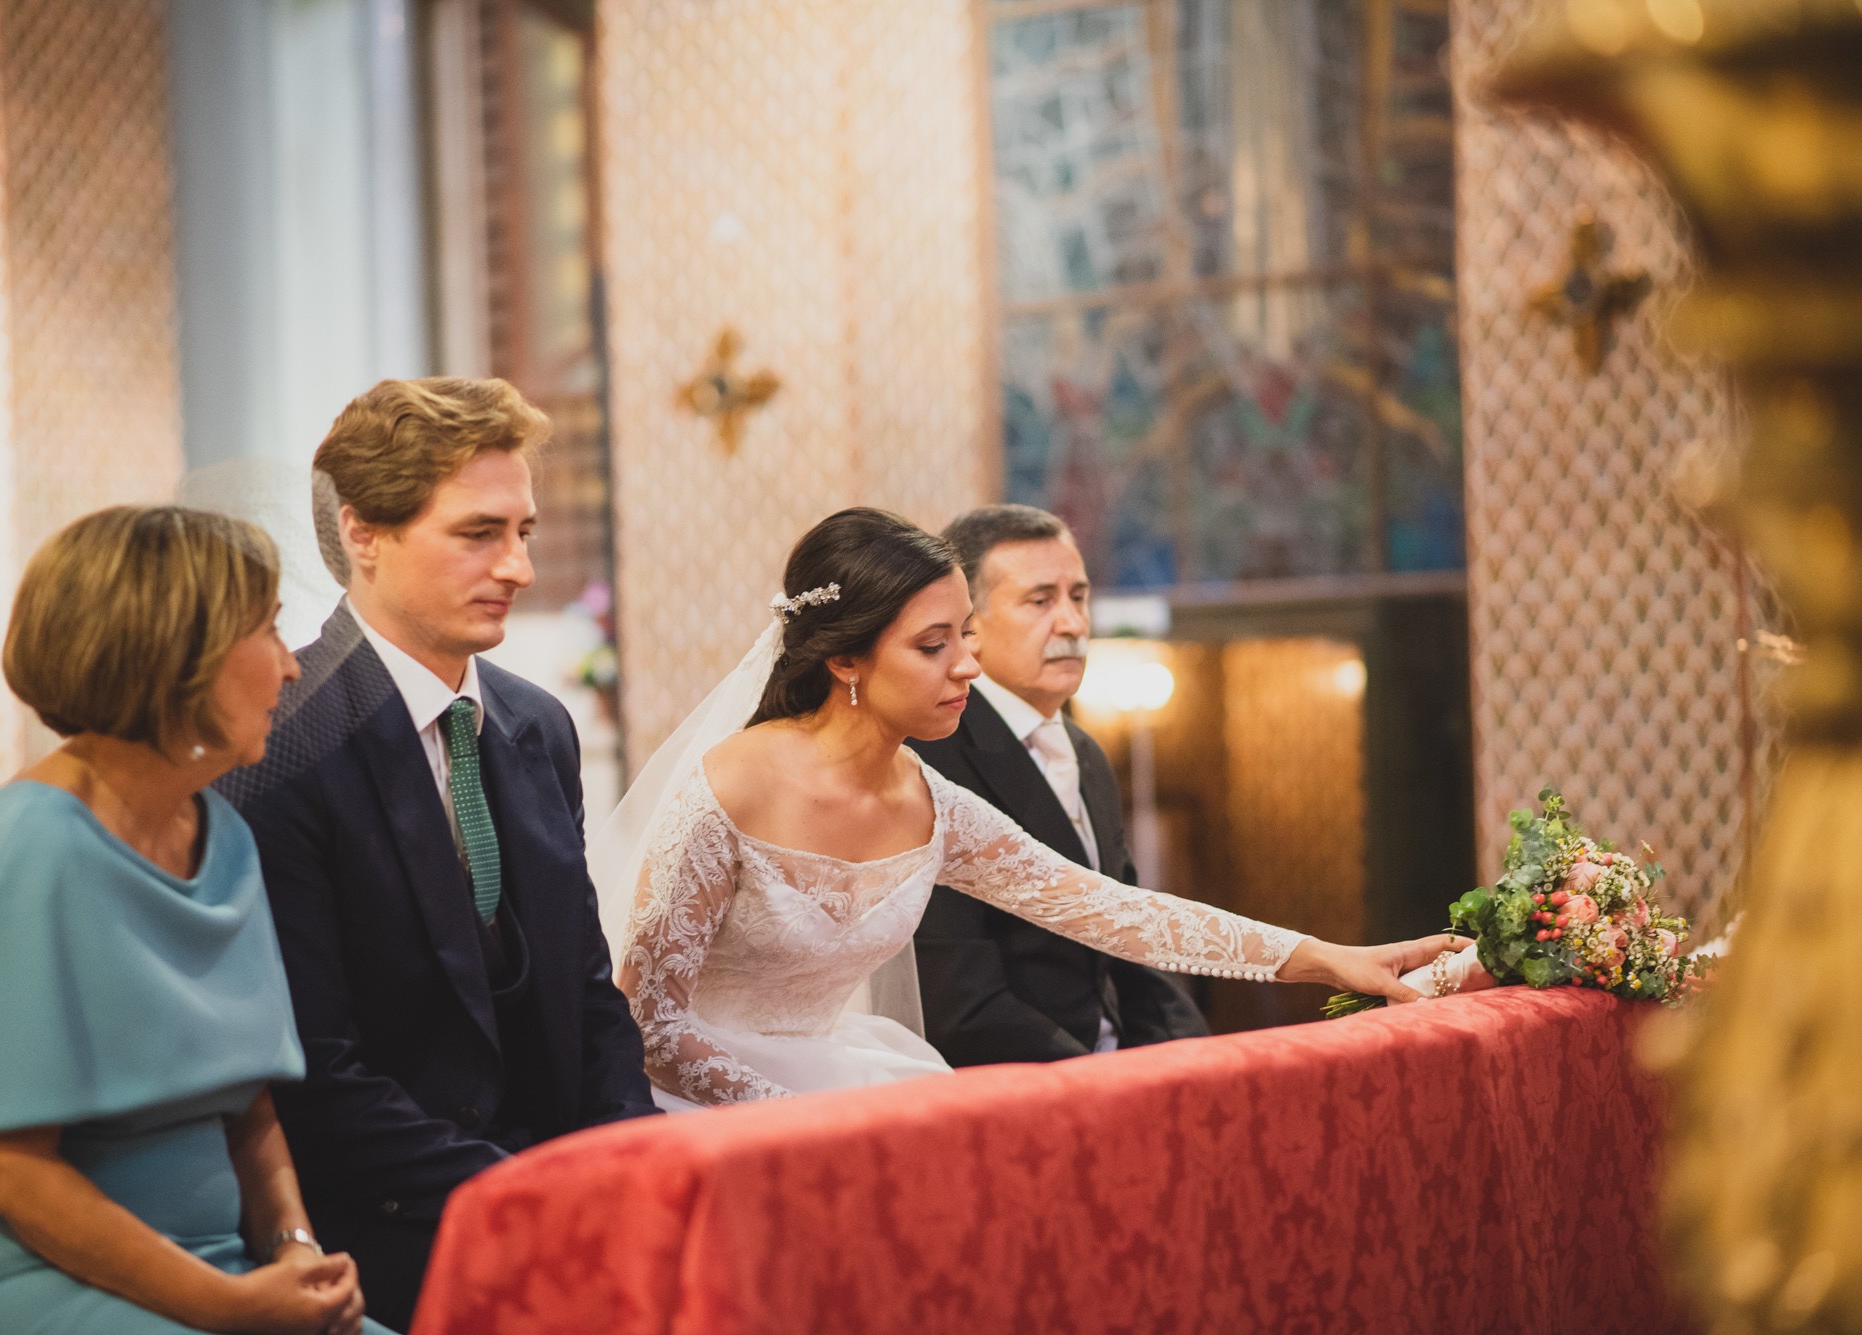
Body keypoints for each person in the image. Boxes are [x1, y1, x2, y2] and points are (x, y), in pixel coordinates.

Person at [602, 508, 1464, 1108]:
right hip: (702, 1107)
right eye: (934, 646)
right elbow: (651, 1021)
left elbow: (1116, 913)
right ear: (846, 660)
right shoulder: (733, 788)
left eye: (967, 636)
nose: (968, 668)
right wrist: (802, 1114)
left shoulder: (930, 802)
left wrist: (1333, 960)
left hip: (850, 1089)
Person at [0, 506, 386, 1334]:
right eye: (268, 632)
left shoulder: (227, 838)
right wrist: (231, 1305)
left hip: (209, 1263)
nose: (290, 666)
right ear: (180, 657)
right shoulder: (28, 842)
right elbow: (8, 1170)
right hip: (15, 1272)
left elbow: (247, 1106)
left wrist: (293, 1252)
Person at [216, 378, 657, 1332]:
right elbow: (315, 1070)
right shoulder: (282, 745)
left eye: (525, 531)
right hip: (387, 1219)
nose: (519, 567)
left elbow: (585, 993)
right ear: (363, 532)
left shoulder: (538, 723)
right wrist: (526, 1196)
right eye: (478, 533)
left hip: (554, 1182)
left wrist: (632, 1160)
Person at [910, 504, 1208, 1065]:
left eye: (1079, 596)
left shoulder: (1087, 752)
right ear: (967, 623)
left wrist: (1189, 1058)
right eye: (1041, 600)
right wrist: (1097, 1086)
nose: (1072, 623)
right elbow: (957, 999)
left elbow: (1126, 942)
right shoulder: (932, 757)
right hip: (1017, 1082)